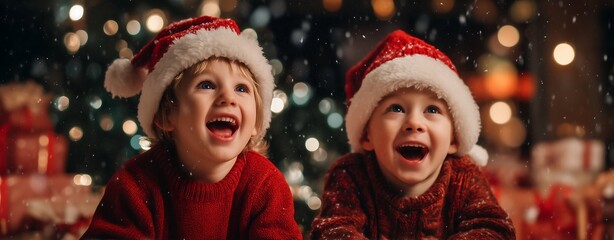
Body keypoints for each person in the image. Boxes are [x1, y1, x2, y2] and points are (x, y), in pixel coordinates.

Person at [82, 16, 302, 239]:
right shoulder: (135, 185)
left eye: (241, 88)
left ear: (256, 122)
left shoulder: (265, 185)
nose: (228, 97)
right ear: (167, 115)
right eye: (206, 85)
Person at [310, 30, 515, 239]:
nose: (414, 123)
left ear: (454, 138)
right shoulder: (351, 175)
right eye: (396, 109)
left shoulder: (463, 177)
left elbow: (495, 230)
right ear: (366, 136)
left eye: (432, 110)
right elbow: (333, 231)